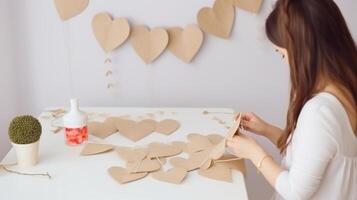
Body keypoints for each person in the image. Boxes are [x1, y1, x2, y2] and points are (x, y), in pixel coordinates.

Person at [226, 0, 357, 199]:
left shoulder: (319, 112)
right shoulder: (346, 92)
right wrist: (267, 129)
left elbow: (295, 191)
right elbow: (317, 153)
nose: (286, 62)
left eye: (282, 54)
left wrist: (253, 153)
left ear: (302, 51)